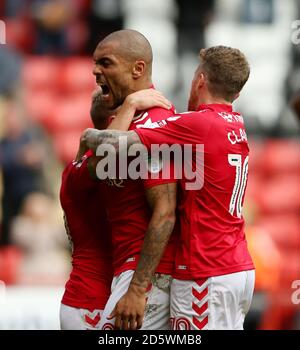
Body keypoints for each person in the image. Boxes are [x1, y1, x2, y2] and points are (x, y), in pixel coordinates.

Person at [80, 45, 255, 330]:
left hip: (206, 267)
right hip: (238, 267)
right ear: (236, 93)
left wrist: (96, 130)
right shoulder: (236, 124)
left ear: (200, 80)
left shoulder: (196, 124)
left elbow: (110, 152)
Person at [81, 29, 178, 331]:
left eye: (106, 63)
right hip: (125, 268)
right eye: (95, 63)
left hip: (149, 278)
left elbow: (165, 214)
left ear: (138, 69)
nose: (96, 70)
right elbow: (95, 170)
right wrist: (131, 104)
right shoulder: (124, 121)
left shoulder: (157, 126)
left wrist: (138, 289)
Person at [60, 87, 170, 330]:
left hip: (105, 289)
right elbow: (107, 155)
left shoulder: (110, 171)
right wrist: (130, 104)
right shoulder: (78, 172)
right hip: (88, 301)